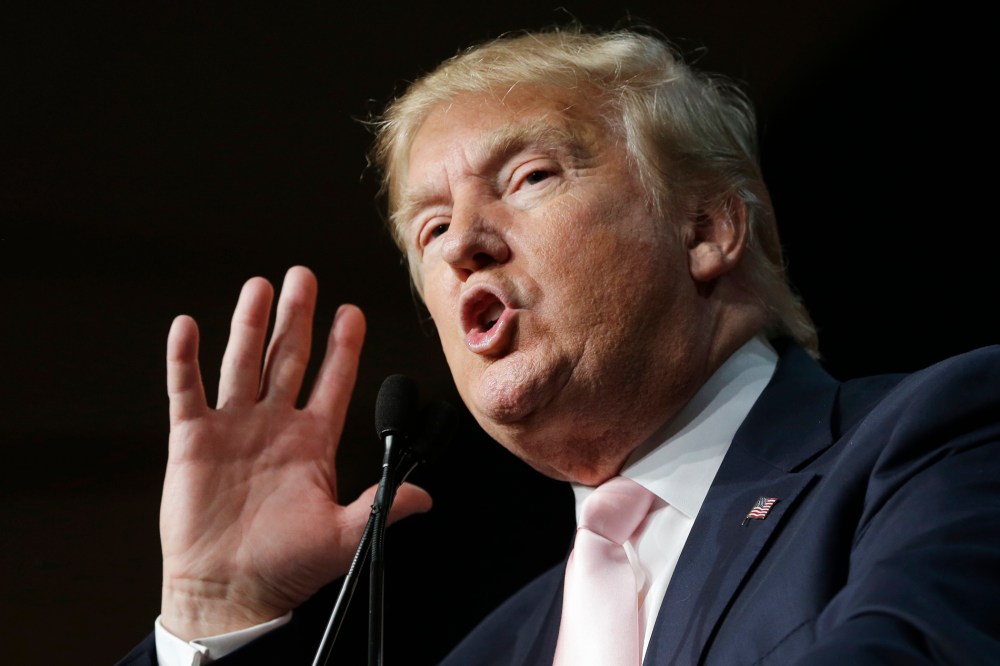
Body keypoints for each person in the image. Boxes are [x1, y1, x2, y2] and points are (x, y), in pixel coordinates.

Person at [117, 24, 1000, 666]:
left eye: (530, 177)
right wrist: (213, 613)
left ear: (706, 226)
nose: (464, 243)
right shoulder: (495, 650)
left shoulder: (945, 443)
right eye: (430, 229)